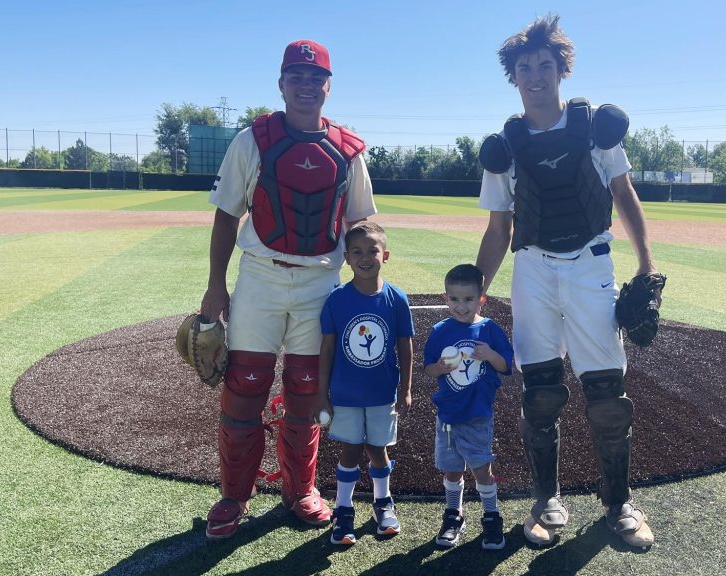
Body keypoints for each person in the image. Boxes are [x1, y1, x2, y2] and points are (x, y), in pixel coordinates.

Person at [475, 15, 662, 550]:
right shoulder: (504, 147)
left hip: (590, 264)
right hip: (533, 268)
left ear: (562, 70)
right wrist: (476, 297)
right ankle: (546, 502)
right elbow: (499, 228)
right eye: (525, 68)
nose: (535, 75)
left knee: (607, 393)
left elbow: (624, 194)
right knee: (539, 392)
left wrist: (646, 264)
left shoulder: (595, 128)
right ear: (513, 77)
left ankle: (619, 503)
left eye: (544, 65)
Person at [199, 39, 376, 540]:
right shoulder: (252, 139)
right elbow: (226, 215)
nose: (306, 86)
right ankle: (234, 495)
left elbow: (362, 225)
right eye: (296, 77)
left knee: (306, 390)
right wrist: (215, 285)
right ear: (281, 84)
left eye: (316, 78)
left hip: (321, 280)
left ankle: (301, 490)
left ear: (328, 87)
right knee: (244, 387)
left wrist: (367, 285)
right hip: (261, 276)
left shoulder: (349, 150)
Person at [315, 222, 415, 546]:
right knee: (351, 449)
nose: (365, 257)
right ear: (346, 258)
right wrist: (321, 394)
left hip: (382, 393)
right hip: (345, 394)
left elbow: (405, 347)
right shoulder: (337, 300)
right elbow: (327, 349)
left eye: (372, 250)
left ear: (385, 255)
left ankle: (382, 503)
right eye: (356, 252)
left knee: (378, 449)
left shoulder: (396, 299)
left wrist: (406, 388)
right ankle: (343, 510)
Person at [423, 264, 514, 550]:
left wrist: (490, 355)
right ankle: (454, 514)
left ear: (481, 299)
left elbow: (506, 366)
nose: (461, 306)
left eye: (469, 299)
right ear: (445, 298)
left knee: (482, 469)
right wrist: (439, 367)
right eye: (454, 299)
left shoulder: (489, 330)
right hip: (448, 415)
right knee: (452, 470)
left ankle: (491, 516)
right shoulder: (440, 331)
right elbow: (428, 369)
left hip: (477, 414)